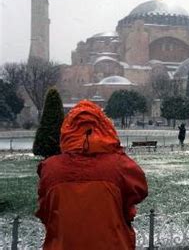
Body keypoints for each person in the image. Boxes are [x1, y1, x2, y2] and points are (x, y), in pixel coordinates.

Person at [36, 100, 148, 250]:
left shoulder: (50, 169)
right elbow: (139, 191)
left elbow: (45, 211)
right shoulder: (119, 166)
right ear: (104, 128)